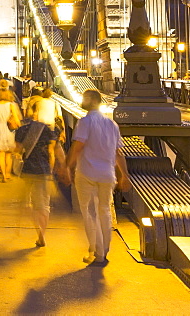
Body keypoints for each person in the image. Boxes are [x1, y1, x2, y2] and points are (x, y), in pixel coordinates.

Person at [62, 88, 129, 265]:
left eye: (84, 98)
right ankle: (102, 249)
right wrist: (125, 176)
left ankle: (97, 251)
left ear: (91, 101)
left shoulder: (85, 122)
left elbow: (78, 147)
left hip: (87, 173)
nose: (82, 100)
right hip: (107, 174)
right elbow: (118, 153)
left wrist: (67, 167)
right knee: (105, 211)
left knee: (90, 212)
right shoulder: (112, 124)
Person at [15, 102, 68, 247]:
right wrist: (58, 168)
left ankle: (37, 230)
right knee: (43, 205)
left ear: (29, 113)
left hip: (28, 170)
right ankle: (41, 235)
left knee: (30, 203)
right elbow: (53, 152)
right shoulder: (47, 130)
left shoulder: (22, 130)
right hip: (43, 170)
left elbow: (18, 150)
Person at [0, 84, 22, 181]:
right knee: (8, 154)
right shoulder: (11, 105)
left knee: (1, 153)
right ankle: (8, 174)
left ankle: (3, 175)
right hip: (9, 130)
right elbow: (16, 119)